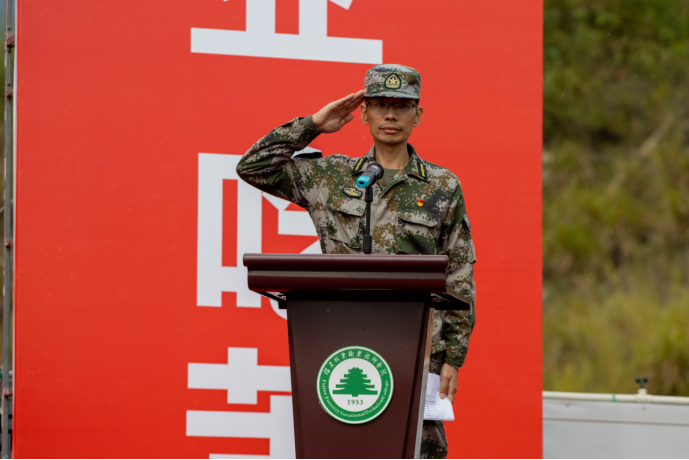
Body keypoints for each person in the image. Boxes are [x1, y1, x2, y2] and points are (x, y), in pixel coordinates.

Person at [237, 64, 476, 459]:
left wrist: (452, 356)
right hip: (339, 347)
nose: (390, 115)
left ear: (417, 114)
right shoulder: (331, 176)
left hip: (414, 351)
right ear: (363, 113)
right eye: (380, 105)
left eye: (401, 106)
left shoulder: (441, 186)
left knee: (420, 450)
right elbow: (253, 167)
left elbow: (459, 273)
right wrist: (314, 124)